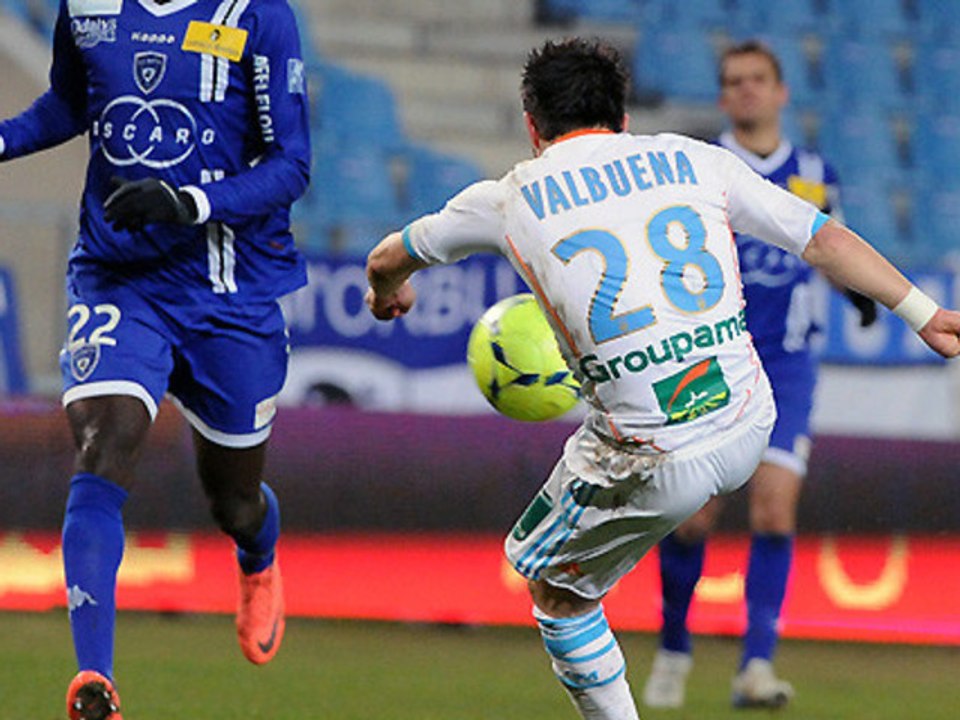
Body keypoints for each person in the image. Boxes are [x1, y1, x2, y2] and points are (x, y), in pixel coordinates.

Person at [364, 38, 960, 720]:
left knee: (556, 591)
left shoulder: (507, 198)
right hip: (747, 415)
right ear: (622, 117)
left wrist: (386, 293)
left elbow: (390, 254)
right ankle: (692, 652)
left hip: (652, 452)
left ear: (532, 126)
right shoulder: (696, 159)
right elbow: (821, 237)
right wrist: (923, 312)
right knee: (699, 502)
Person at [0, 0, 311, 717]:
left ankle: (258, 557)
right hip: (119, 276)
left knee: (231, 499)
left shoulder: (258, 13)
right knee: (103, 444)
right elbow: (68, 105)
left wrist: (189, 201)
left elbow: (291, 163)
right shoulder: (87, 4)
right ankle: (94, 680)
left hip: (229, 292)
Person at [642, 39, 877, 710]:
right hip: (711, 358)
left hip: (788, 363)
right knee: (693, 516)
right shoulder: (700, 167)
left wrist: (861, 299)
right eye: (734, 82)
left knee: (774, 507)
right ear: (722, 97)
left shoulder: (814, 173)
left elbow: (830, 246)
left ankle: (755, 665)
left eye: (757, 80)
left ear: (780, 93)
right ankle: (675, 643)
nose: (746, 91)